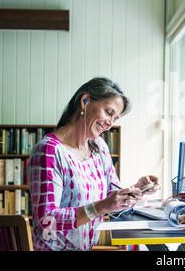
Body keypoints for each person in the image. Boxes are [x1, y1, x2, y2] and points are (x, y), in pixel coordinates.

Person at [27, 77, 160, 251]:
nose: (110, 123)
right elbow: (47, 220)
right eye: (108, 112)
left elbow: (112, 200)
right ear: (85, 101)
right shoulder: (49, 151)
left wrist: (136, 189)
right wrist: (101, 207)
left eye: (115, 118)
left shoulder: (100, 148)